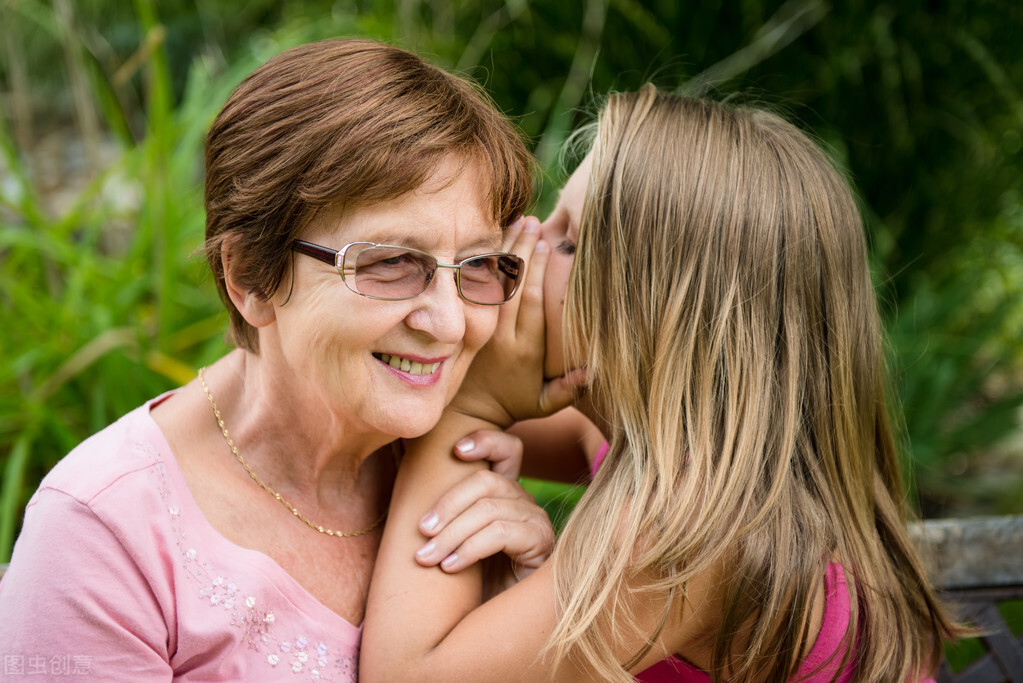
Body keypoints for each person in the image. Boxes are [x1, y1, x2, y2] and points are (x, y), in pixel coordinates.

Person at [361, 85, 966, 681]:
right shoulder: (681, 454)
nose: (523, 244)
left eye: (568, 240)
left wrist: (474, 405)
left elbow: (408, 676)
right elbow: (398, 419)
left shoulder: (694, 532)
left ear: (663, 319)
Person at [0, 38, 558, 681]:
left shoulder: (456, 473)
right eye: (390, 263)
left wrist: (526, 602)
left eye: (479, 266)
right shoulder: (103, 533)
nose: (451, 322)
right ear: (251, 279)